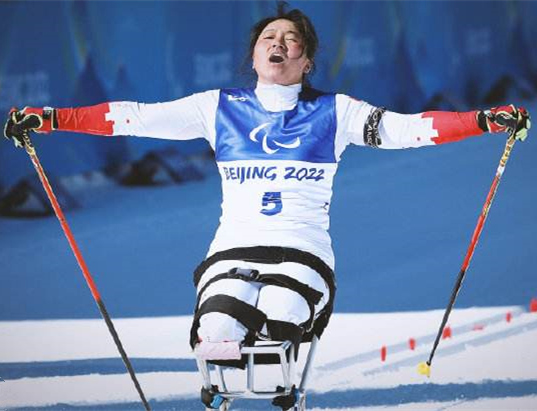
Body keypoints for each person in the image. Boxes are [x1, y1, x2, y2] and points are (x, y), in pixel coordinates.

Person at [3, 5, 531, 361]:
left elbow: (410, 129)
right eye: (267, 38)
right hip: (232, 249)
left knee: (279, 323)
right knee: (218, 334)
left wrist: (483, 121)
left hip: (303, 252)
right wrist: (51, 119)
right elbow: (131, 117)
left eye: (290, 40)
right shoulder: (216, 108)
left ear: (307, 60)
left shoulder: (336, 111)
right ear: (254, 55)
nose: (278, 44)